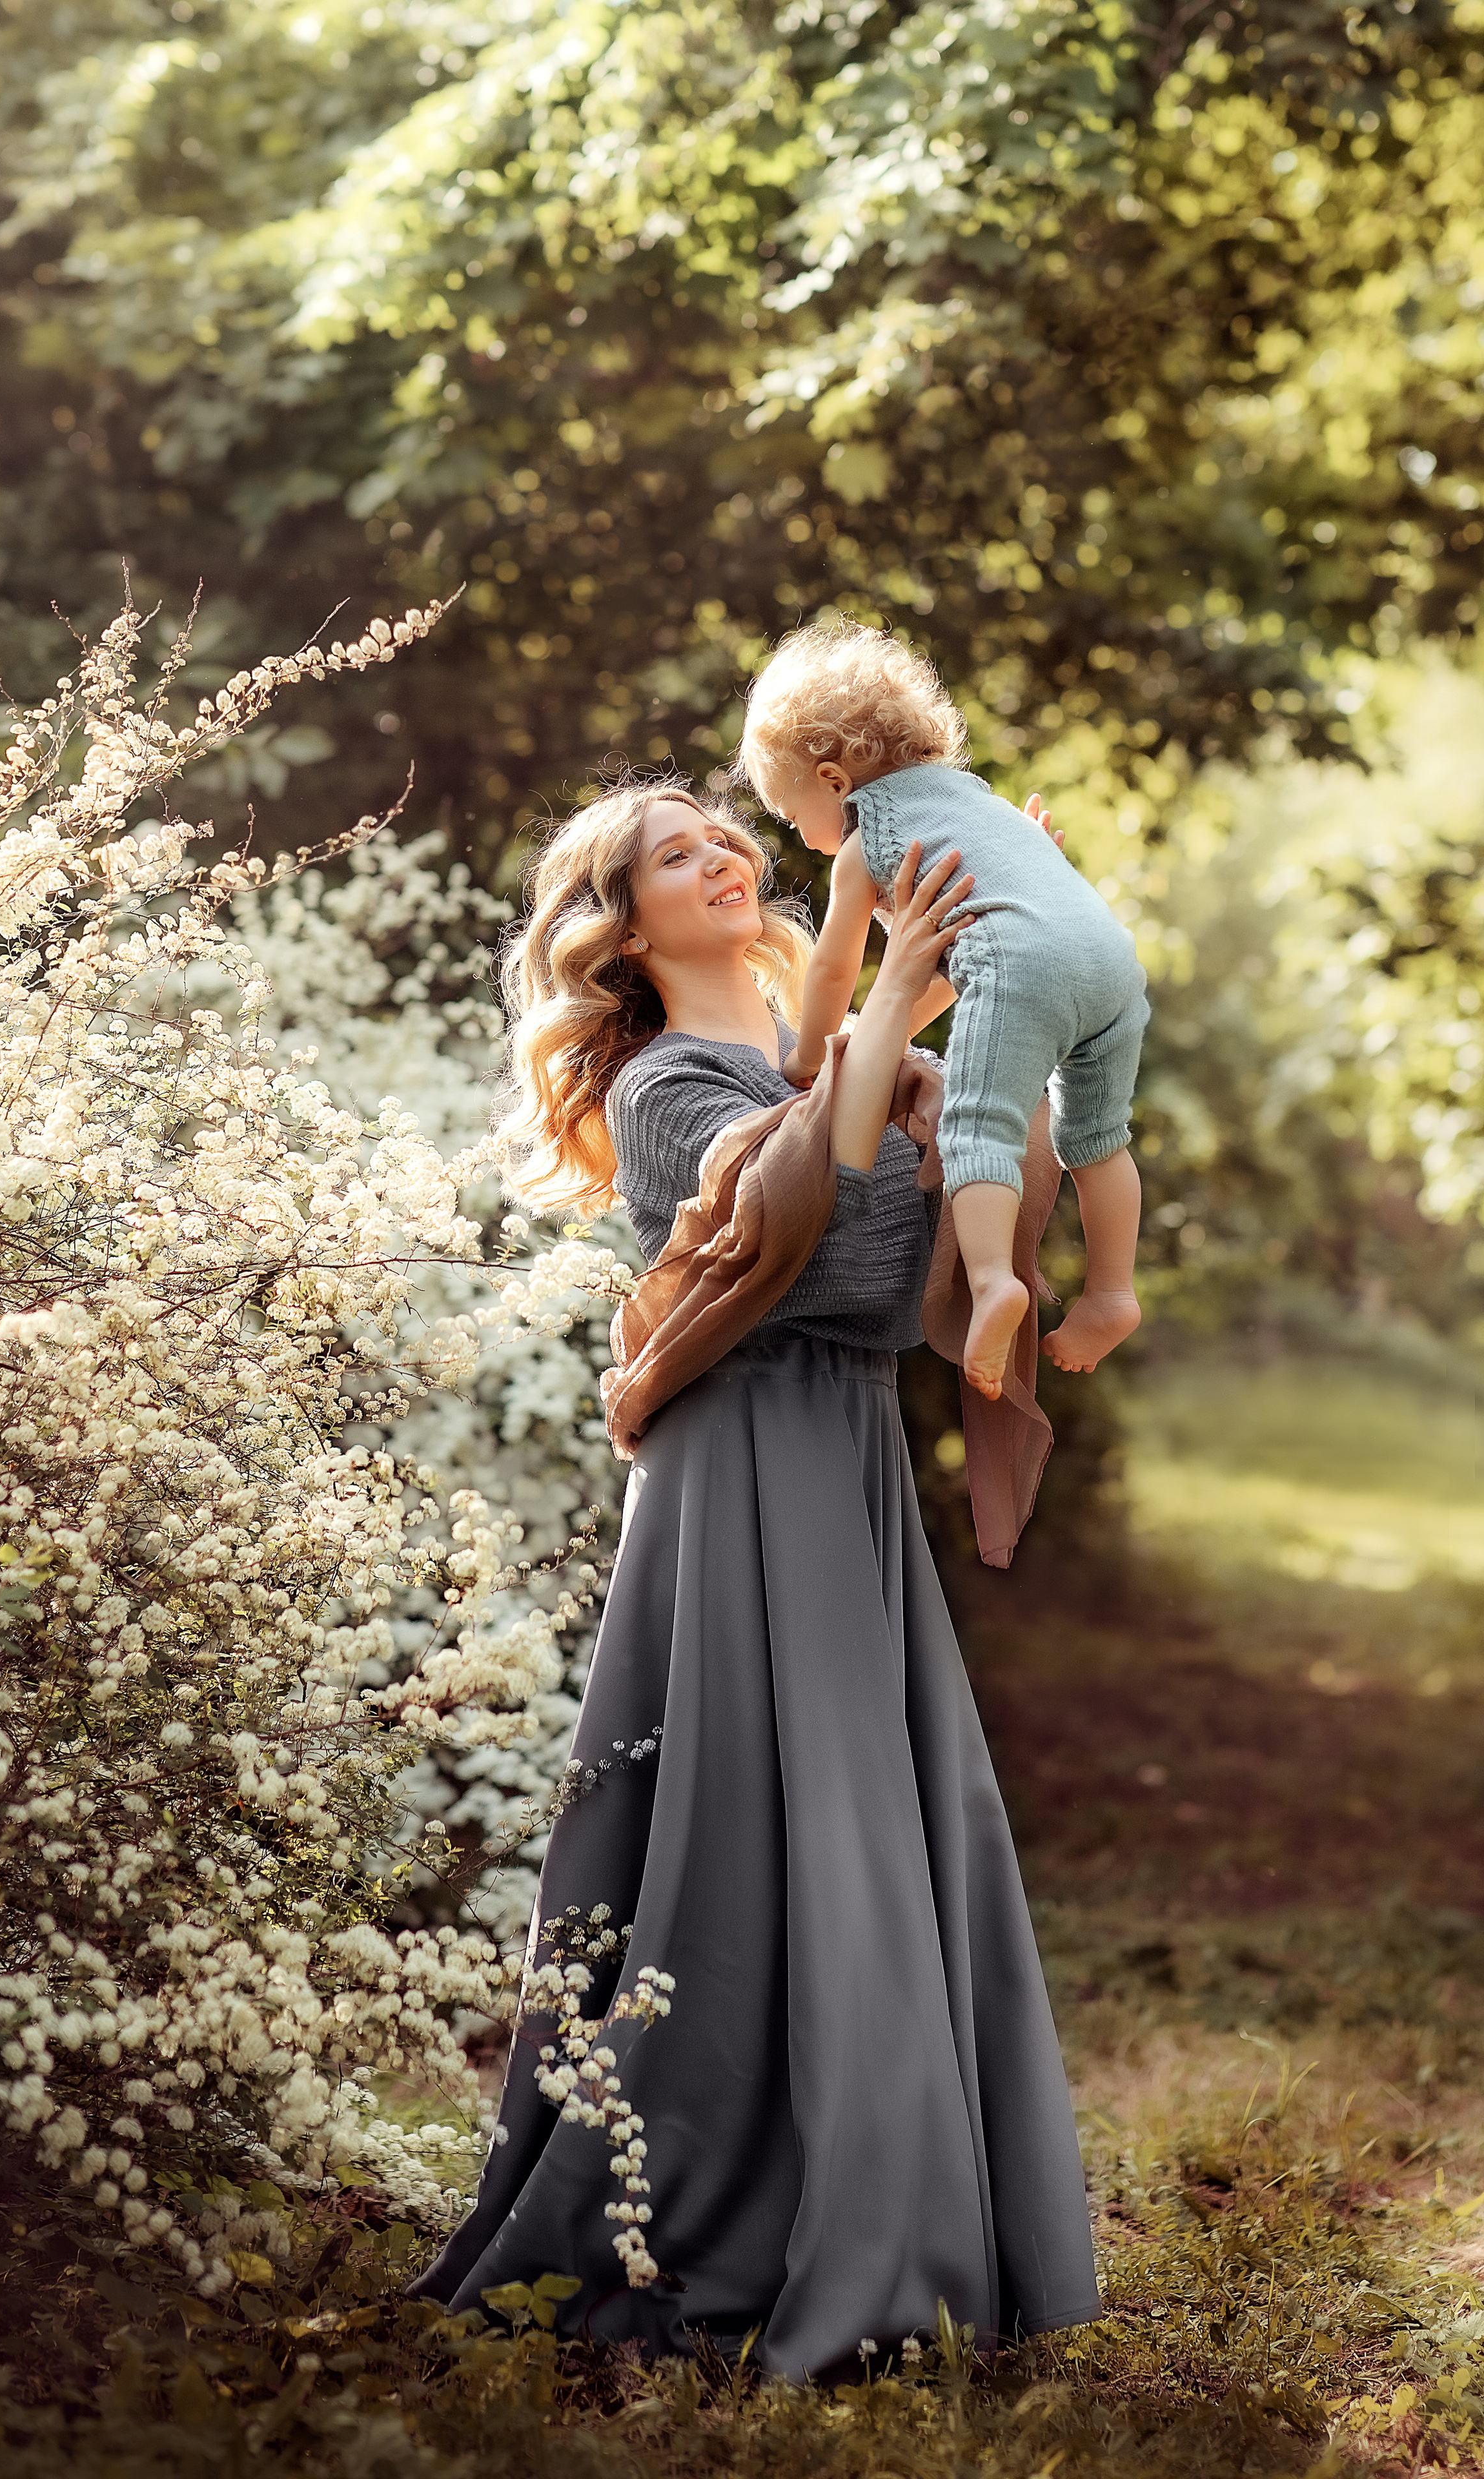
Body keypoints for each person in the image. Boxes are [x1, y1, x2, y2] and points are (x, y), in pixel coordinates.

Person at [411, 775, 1101, 2380]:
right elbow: (817, 1243)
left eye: (723, 830)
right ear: (619, 926)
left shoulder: (839, 1050)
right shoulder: (664, 1084)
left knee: (873, 1834)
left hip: (843, 1461)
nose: (720, 849)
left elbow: (913, 1275)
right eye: (671, 850)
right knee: (754, 1848)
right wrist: (889, 1015)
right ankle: (754, 2222)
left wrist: (1006, 970)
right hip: (742, 1477)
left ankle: (902, 2211)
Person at [737, 619, 1149, 1402]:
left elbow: (831, 966)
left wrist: (811, 1049)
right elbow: (955, 972)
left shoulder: (871, 837)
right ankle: (1111, 1293)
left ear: (831, 779)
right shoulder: (978, 805)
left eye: (792, 819)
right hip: (1109, 962)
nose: (803, 837)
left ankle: (994, 1281)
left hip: (1024, 964)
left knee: (978, 1126)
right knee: (1096, 1137)